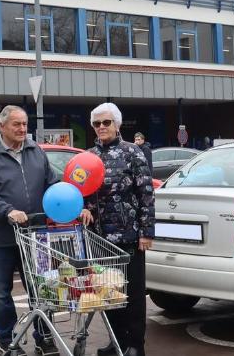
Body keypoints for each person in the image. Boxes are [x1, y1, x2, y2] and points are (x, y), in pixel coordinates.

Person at [0, 105, 60, 356]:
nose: (22, 129)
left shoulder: (35, 151)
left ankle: (44, 338)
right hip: (0, 238)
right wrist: (7, 210)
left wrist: (70, 203)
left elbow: (52, 183)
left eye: (24, 124)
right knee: (1, 293)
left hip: (35, 236)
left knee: (42, 288)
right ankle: (7, 341)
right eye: (16, 124)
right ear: (2, 126)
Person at [79, 103, 155, 356]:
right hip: (100, 239)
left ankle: (136, 345)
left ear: (117, 124)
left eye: (106, 122)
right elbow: (81, 192)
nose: (101, 127)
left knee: (133, 294)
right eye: (96, 123)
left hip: (129, 235)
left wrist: (146, 232)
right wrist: (84, 208)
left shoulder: (133, 152)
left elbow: (146, 194)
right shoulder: (88, 156)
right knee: (108, 292)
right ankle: (117, 342)